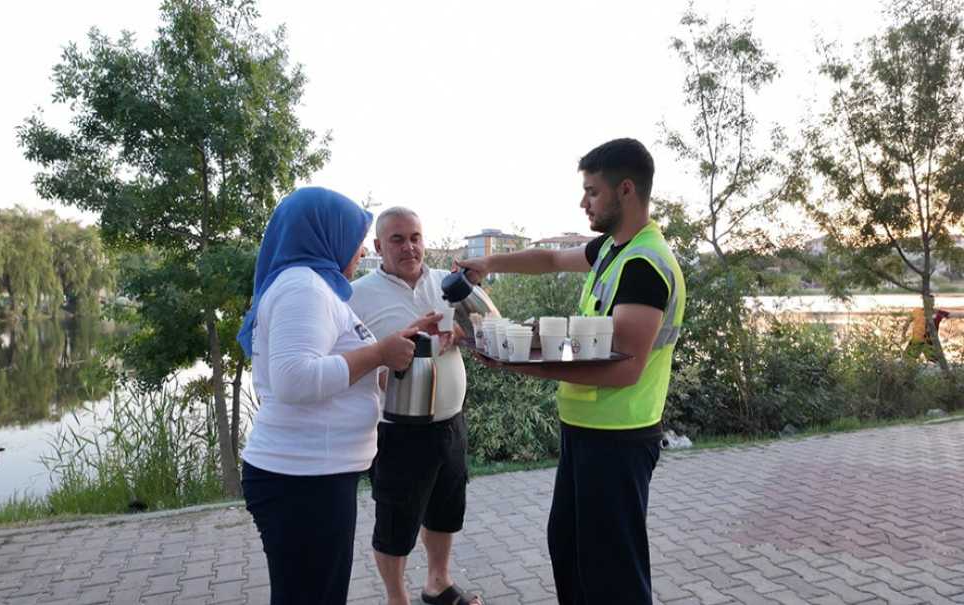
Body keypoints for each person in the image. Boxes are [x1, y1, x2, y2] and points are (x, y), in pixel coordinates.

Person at [457, 138, 686, 605]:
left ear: (626, 190)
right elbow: (550, 259)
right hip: (585, 431)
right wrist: (489, 263)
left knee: (612, 574)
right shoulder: (612, 250)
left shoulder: (645, 264)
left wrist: (516, 361)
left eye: (592, 191)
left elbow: (624, 369)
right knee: (571, 554)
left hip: (620, 436)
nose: (583, 202)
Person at [236, 187, 441, 605]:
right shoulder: (303, 289)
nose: (362, 247)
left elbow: (334, 361)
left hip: (311, 474)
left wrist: (393, 345)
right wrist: (380, 352)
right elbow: (295, 379)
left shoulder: (313, 286)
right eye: (355, 235)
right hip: (303, 479)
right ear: (323, 234)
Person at [348, 207, 483, 605]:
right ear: (378, 246)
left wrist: (463, 333)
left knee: (446, 509)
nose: (409, 247)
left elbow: (488, 329)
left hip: (450, 421)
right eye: (397, 239)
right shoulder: (357, 295)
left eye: (415, 237)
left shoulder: (446, 283)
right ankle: (397, 598)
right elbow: (347, 364)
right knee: (396, 521)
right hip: (396, 428)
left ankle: (437, 583)